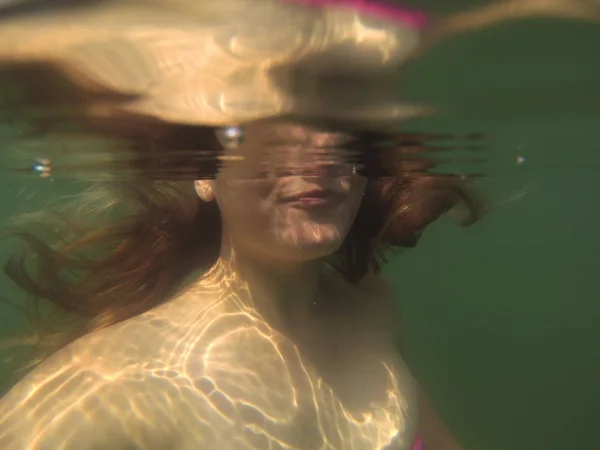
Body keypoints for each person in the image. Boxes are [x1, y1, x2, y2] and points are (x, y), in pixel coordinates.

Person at [0, 0, 596, 449]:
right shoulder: (117, 381)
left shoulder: (369, 308)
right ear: (200, 172)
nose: (319, 151)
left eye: (343, 124)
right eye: (266, 121)